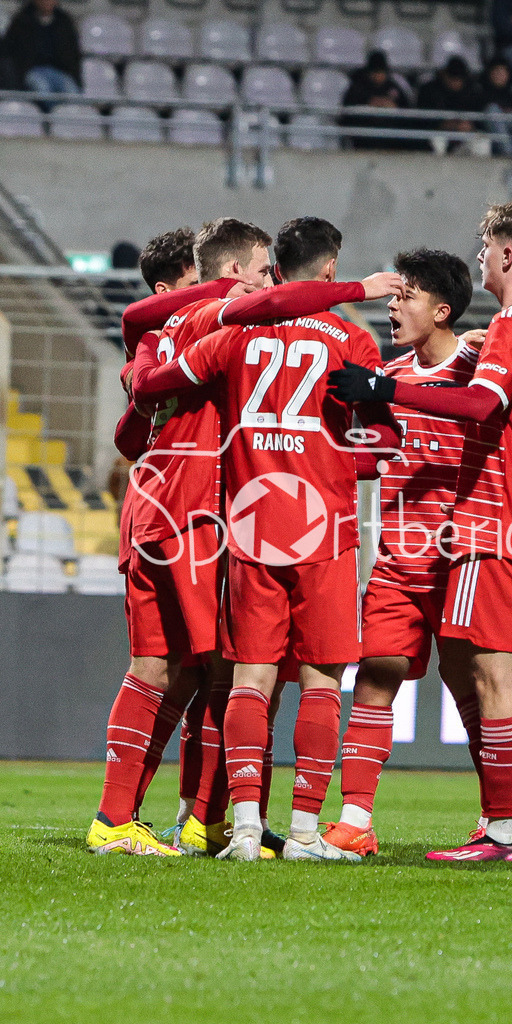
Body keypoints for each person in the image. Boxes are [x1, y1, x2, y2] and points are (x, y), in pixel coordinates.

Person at [131, 217, 404, 863]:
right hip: (325, 528)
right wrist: (337, 457)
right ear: (332, 271)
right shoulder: (352, 340)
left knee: (248, 679)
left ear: (275, 268)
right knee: (320, 682)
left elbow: (155, 386)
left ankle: (245, 828)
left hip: (250, 526)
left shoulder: (236, 332)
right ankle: (306, 833)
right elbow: (386, 441)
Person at [328, 199, 512, 862]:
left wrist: (386, 393)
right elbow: (370, 456)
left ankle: (501, 825)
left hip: (479, 534)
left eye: (405, 296)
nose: (392, 306)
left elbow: (482, 405)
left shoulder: (499, 342)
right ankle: (356, 820)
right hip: (411, 548)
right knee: (384, 671)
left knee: (478, 677)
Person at [86, 219, 275, 857]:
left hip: (150, 504)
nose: (267, 282)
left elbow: (125, 435)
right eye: (261, 268)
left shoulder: (156, 334)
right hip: (192, 508)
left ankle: (119, 819)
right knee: (225, 664)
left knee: (168, 669)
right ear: (231, 275)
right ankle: (206, 818)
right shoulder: (214, 319)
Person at [4, 0, 81, 95]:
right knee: (43, 89)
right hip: (32, 70)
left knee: (72, 91)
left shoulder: (64, 21)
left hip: (60, 71)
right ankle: (53, 110)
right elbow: (9, 51)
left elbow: (73, 54)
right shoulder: (22, 21)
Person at [341, 50, 411, 150]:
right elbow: (347, 113)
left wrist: (392, 106)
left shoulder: (393, 87)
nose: (378, 76)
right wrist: (369, 104)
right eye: (375, 72)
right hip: (363, 139)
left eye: (381, 72)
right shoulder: (357, 87)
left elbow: (406, 111)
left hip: (391, 141)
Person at [416, 56, 484, 151]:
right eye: (452, 77)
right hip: (439, 133)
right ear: (445, 75)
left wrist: (470, 125)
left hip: (465, 134)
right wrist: (443, 125)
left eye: (458, 79)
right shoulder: (430, 90)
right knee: (437, 141)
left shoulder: (473, 92)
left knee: (482, 142)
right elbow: (422, 120)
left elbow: (480, 119)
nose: (455, 82)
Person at [479, 56, 512, 156]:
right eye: (496, 72)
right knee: (492, 110)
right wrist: (506, 112)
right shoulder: (480, 92)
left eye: (502, 72)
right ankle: (508, 153)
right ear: (489, 73)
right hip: (490, 138)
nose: (499, 75)